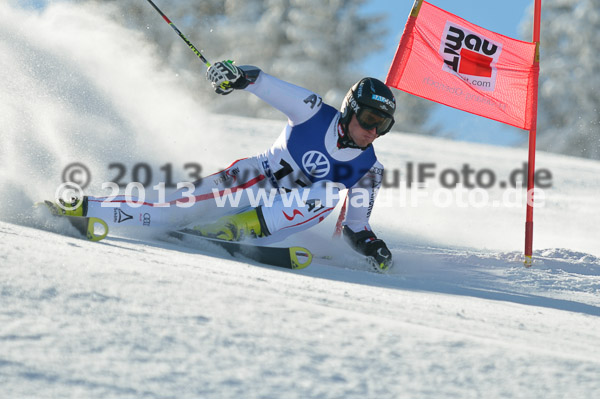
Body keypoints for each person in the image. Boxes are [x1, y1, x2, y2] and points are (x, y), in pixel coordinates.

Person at [48, 61, 395, 271]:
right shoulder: (312, 109)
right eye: (368, 118)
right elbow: (262, 82)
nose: (372, 131)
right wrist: (235, 76)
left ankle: (235, 229)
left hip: (276, 218)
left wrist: (373, 248)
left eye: (383, 125)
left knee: (330, 192)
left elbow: (356, 225)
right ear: (350, 109)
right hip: (253, 177)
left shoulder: (369, 169)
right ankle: (81, 208)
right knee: (173, 208)